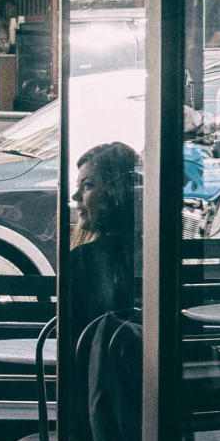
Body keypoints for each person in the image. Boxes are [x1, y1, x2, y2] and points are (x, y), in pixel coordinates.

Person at [64, 140, 141, 330]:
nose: (75, 196)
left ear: (116, 193)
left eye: (87, 185)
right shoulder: (155, 252)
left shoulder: (84, 259)